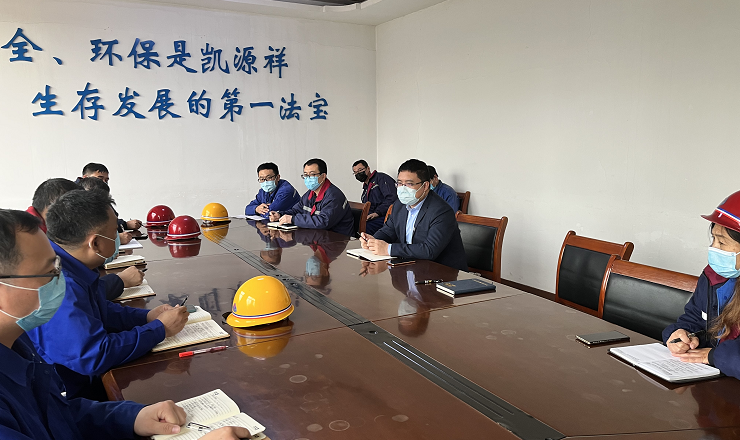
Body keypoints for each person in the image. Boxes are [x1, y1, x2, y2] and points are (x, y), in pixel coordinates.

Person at [0, 209, 251, 439]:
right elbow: (91, 356)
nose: (60, 280)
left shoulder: (16, 343)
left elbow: (57, 416)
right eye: (50, 271)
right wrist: (157, 329)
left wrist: (131, 416)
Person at [27, 189, 190, 400]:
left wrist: (146, 317)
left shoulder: (69, 262)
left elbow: (99, 310)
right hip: (71, 396)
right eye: (114, 233)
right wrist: (160, 329)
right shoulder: (58, 284)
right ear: (94, 243)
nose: (118, 237)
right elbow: (95, 355)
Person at [664, 190, 740, 379]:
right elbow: (694, 317)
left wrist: (714, 356)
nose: (713, 248)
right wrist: (681, 335)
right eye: (713, 239)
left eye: (722, 242)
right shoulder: (712, 276)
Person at [28, 179, 140, 300]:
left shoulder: (61, 253)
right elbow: (82, 298)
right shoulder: (30, 242)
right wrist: (119, 281)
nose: (116, 236)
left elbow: (97, 303)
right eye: (114, 231)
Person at [361, 159, 468, 271]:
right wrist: (373, 241)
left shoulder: (441, 211)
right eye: (400, 183)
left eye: (409, 184)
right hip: (411, 267)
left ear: (425, 186)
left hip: (443, 272)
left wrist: (388, 249)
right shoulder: (399, 205)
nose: (403, 189)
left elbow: (429, 250)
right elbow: (388, 231)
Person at [269, 158, 355, 237]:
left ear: (323, 176)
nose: (308, 178)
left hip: (338, 240)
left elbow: (323, 222)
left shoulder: (334, 196)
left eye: (312, 174)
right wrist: (280, 215)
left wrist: (293, 219)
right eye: (306, 175)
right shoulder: (310, 193)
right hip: (318, 237)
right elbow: (296, 210)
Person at [77, 163, 143, 231]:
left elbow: (111, 217)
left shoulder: (97, 192)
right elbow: (94, 225)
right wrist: (124, 225)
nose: (104, 182)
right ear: (85, 178)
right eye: (100, 178)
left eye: (106, 180)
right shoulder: (75, 196)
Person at [352, 160, 397, 235]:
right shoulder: (365, 189)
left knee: (366, 227)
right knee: (352, 224)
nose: (358, 174)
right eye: (355, 172)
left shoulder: (381, 178)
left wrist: (377, 213)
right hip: (372, 217)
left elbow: (392, 198)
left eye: (360, 170)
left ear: (368, 168)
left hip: (385, 216)